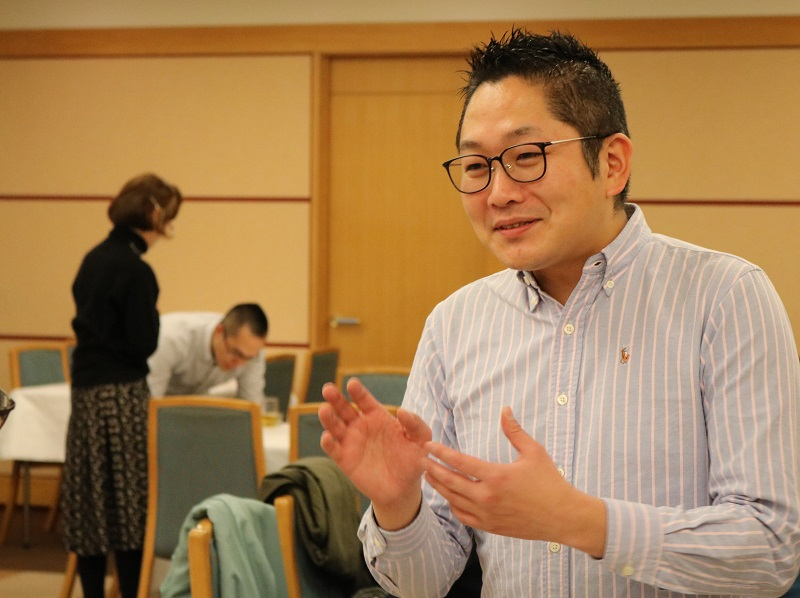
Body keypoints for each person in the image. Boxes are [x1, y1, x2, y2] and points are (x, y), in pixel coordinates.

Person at [318, 29, 800, 597]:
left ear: (612, 163)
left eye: (526, 156)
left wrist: (580, 521)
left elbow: (771, 549)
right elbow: (423, 584)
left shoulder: (724, 297)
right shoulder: (454, 325)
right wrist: (398, 507)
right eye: (475, 166)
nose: (497, 193)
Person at [62, 173, 182, 598]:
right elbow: (143, 342)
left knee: (91, 506)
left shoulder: (92, 259)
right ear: (153, 215)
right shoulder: (136, 270)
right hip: (123, 394)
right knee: (130, 508)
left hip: (85, 392)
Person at [146, 303, 268, 403]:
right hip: (162, 402)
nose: (239, 363)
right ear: (219, 332)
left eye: (248, 358)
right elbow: (150, 404)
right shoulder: (170, 339)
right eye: (235, 353)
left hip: (196, 409)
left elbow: (252, 408)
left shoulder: (252, 353)